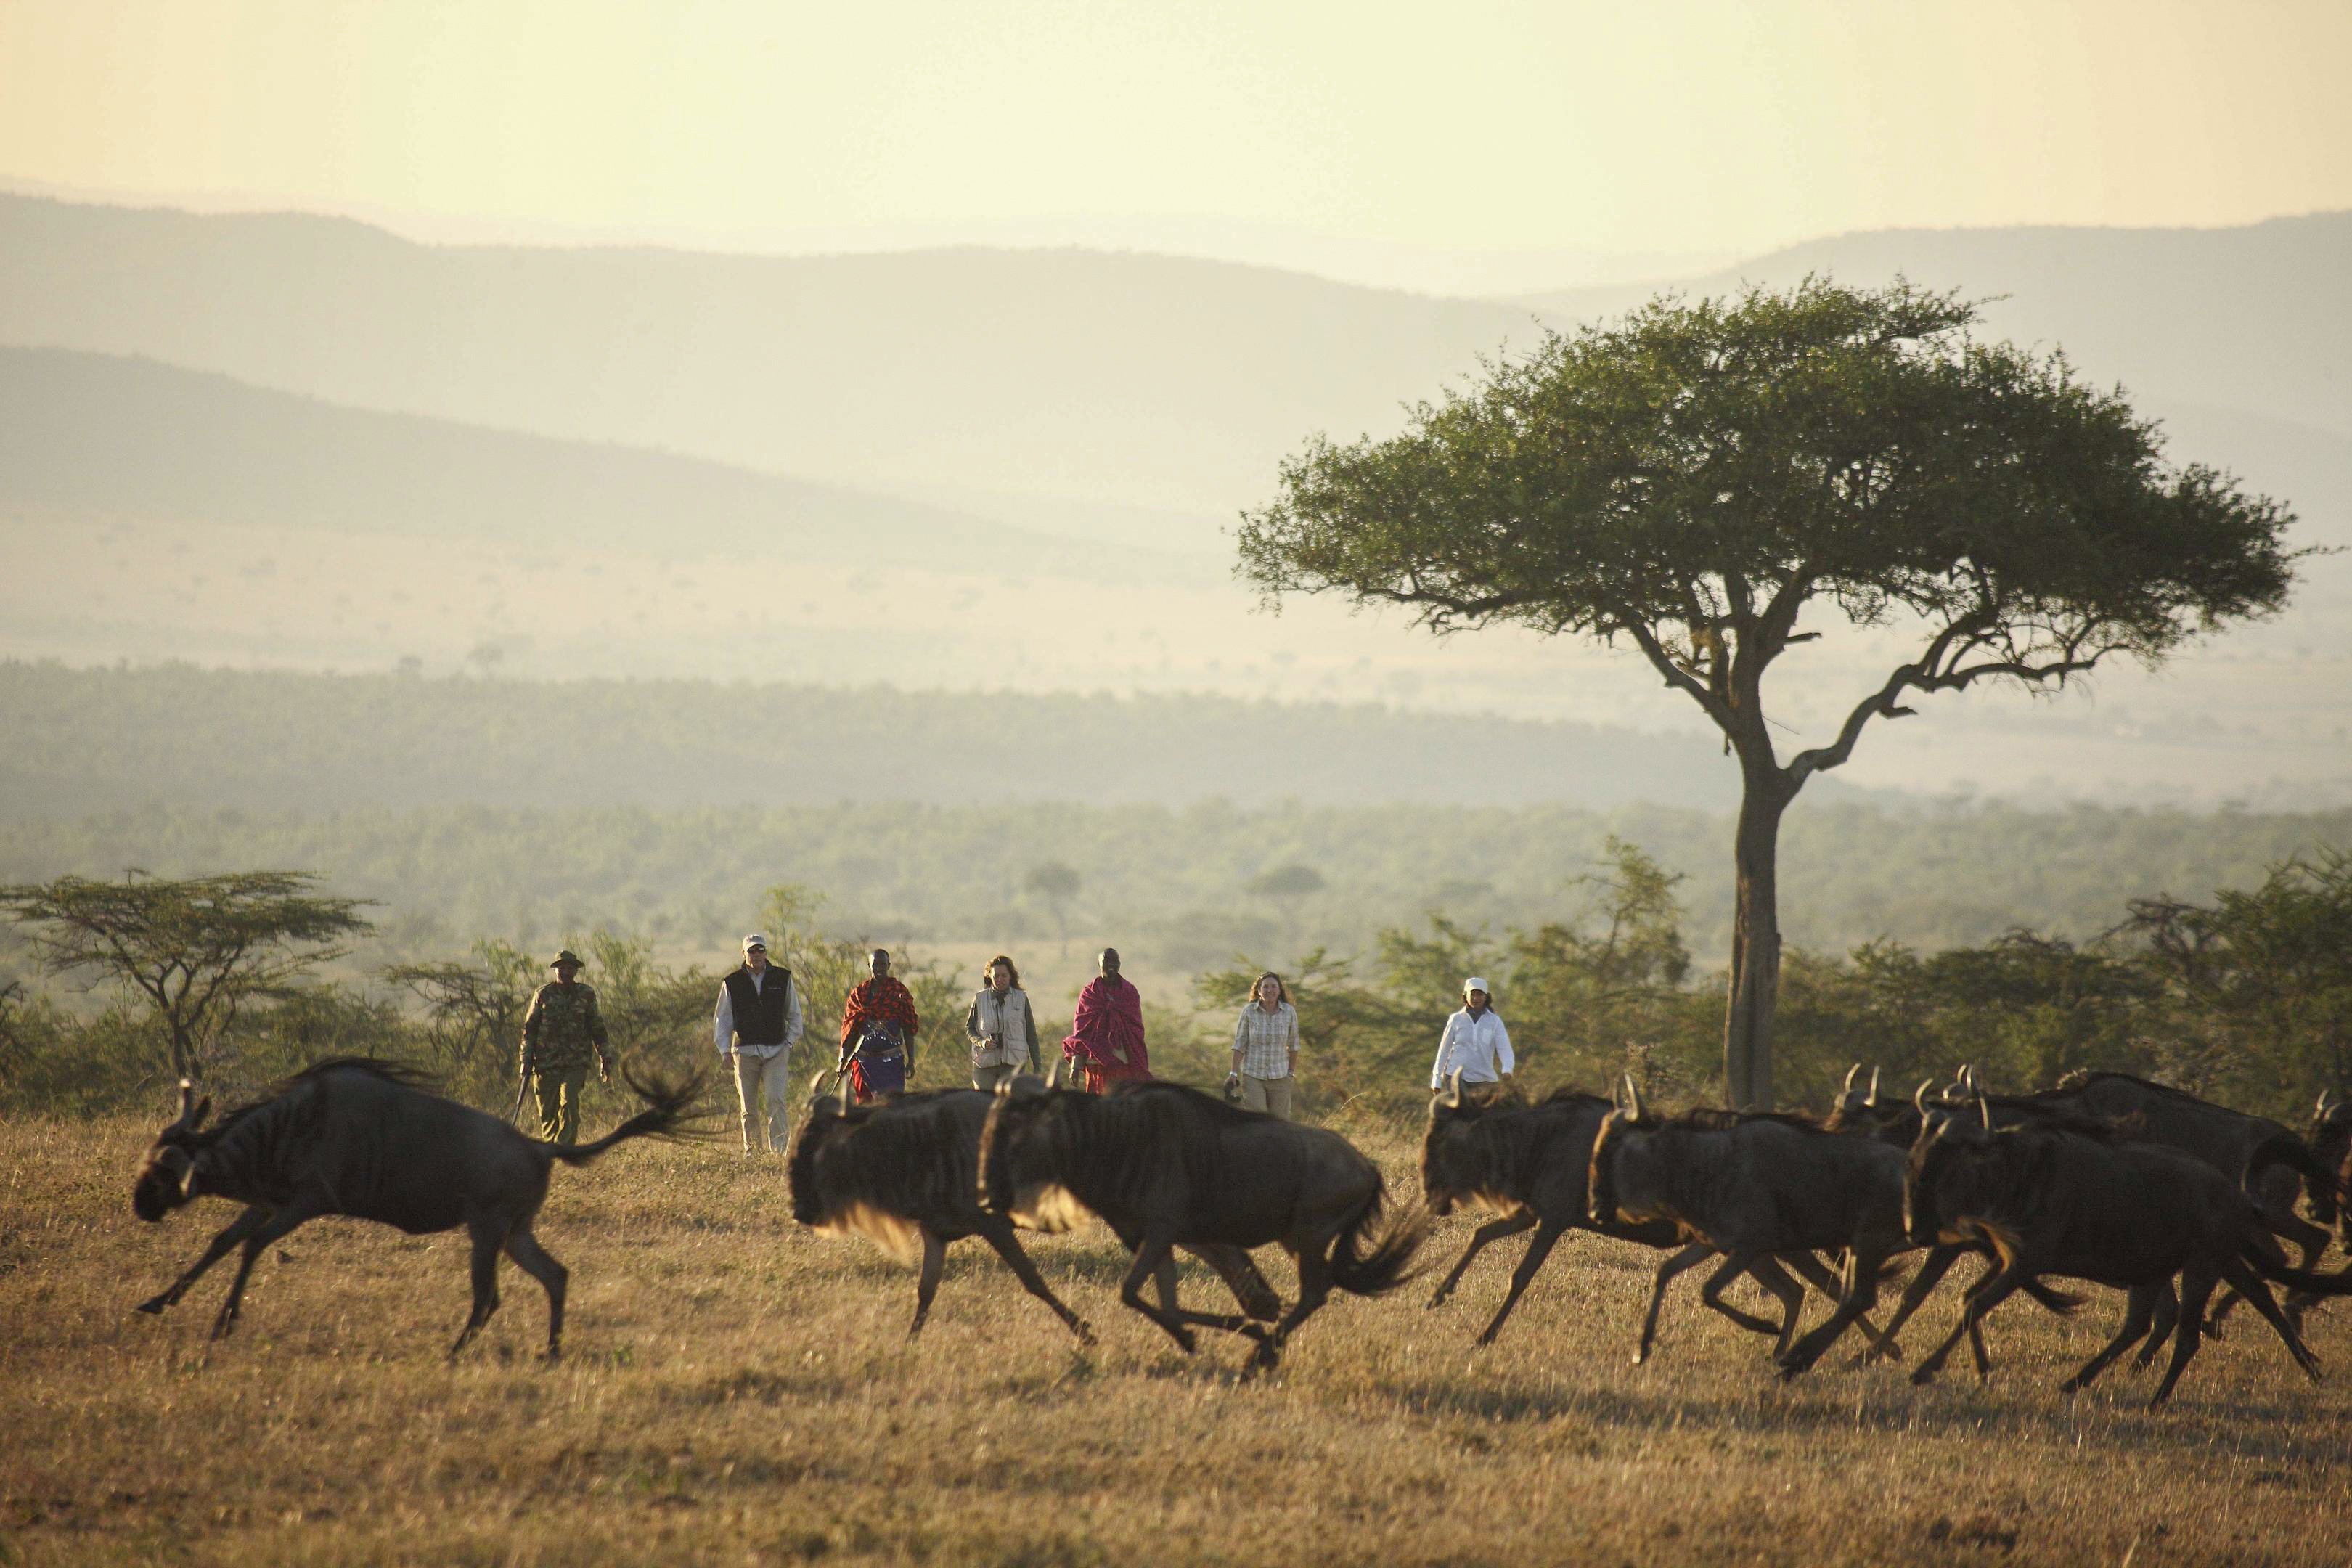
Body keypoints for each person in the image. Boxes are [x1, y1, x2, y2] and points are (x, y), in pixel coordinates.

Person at [714, 932, 803, 1154]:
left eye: (760, 950)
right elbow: (723, 1019)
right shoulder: (732, 982)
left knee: (776, 1102)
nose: (756, 955)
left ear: (766, 953)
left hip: (776, 1050)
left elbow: (794, 1013)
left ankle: (780, 1151)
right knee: (749, 1108)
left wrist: (788, 1043)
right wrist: (724, 1050)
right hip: (744, 1052)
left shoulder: (782, 978)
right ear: (743, 954)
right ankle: (753, 1152)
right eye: (751, 951)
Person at [518, 948, 613, 1146]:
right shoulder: (543, 994)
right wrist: (525, 1060)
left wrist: (605, 1057)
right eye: (562, 968)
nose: (566, 972)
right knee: (548, 1113)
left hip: (575, 1062)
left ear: (576, 971)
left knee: (569, 1101)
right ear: (556, 971)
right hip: (545, 1064)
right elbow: (530, 1030)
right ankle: (552, 1149)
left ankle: (565, 1147)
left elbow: (597, 1027)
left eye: (570, 968)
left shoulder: (586, 994)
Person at [1063, 947, 1149, 1093]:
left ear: (1120, 964)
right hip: (1097, 1062)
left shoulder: (1129, 992)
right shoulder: (1089, 994)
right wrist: (1075, 1066)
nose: (1111, 965)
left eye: (1114, 962)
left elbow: (1136, 1030)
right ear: (1099, 964)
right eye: (1106, 961)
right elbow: (1081, 1032)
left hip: (1124, 1060)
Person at [837, 948, 919, 1103]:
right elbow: (849, 1030)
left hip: (892, 1063)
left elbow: (909, 1029)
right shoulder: (859, 995)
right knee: (865, 1108)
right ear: (869, 966)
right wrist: (842, 1060)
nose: (879, 968)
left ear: (889, 965)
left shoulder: (899, 993)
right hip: (864, 1062)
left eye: (883, 964)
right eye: (875, 965)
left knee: (892, 1107)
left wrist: (911, 1061)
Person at [1225, 970, 1300, 1119]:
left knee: (1280, 1122)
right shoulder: (1249, 1012)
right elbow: (1240, 1044)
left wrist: (1290, 1073)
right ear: (1259, 991)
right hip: (1253, 1074)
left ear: (1279, 991)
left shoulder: (1289, 1012)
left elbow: (1294, 1045)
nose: (1269, 990)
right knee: (1258, 1119)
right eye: (1265, 987)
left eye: (1273, 987)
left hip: (1280, 1075)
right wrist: (1233, 1073)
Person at [964, 954, 1040, 1091]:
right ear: (990, 976)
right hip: (985, 1063)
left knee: (1011, 1104)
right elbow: (970, 1029)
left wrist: (1037, 1063)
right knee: (984, 1102)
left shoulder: (1021, 999)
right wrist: (982, 1042)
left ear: (1011, 976)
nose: (1000, 980)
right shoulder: (980, 999)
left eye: (1004, 976)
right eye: (996, 976)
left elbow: (1030, 1033)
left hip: (1014, 1062)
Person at [1429, 976, 1514, 1095]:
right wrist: (1436, 1080)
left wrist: (1507, 1070)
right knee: (1463, 1110)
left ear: (1486, 997)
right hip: (1457, 1077)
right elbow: (1444, 1050)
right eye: (1472, 994)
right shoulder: (1456, 1019)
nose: (1476, 998)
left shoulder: (1494, 1021)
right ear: (1465, 996)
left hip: (1485, 1078)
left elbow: (1504, 1048)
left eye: (1480, 995)